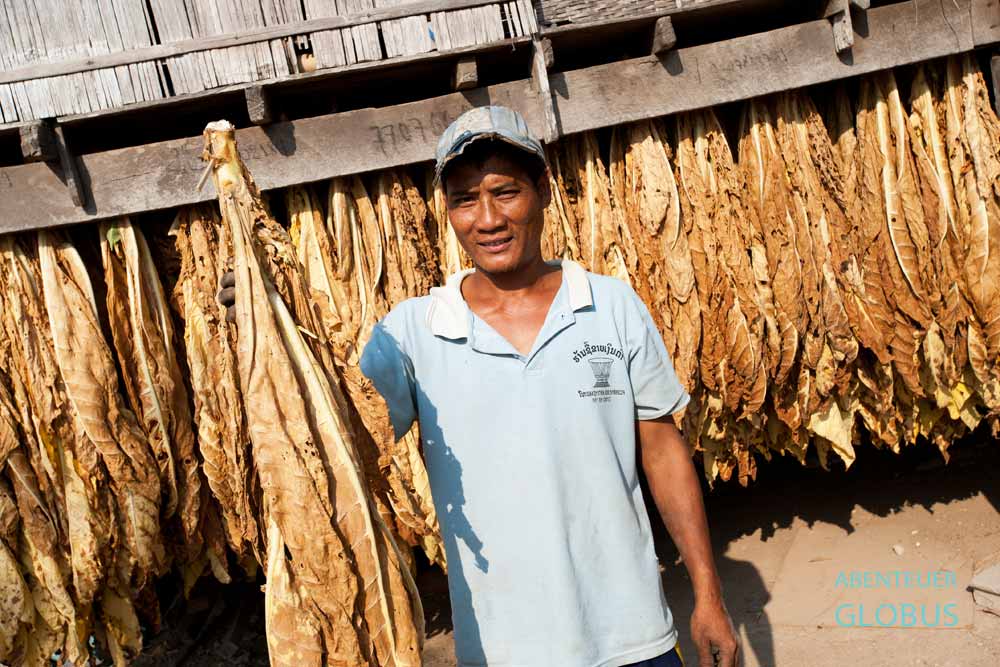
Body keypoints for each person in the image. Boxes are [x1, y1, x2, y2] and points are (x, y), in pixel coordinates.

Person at [222, 105, 739, 667]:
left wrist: (708, 593)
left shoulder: (611, 306)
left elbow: (663, 453)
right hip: (500, 651)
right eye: (465, 200)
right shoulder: (413, 333)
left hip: (633, 638)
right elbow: (332, 438)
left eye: (505, 192)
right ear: (448, 212)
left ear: (543, 189)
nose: (487, 219)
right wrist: (265, 325)